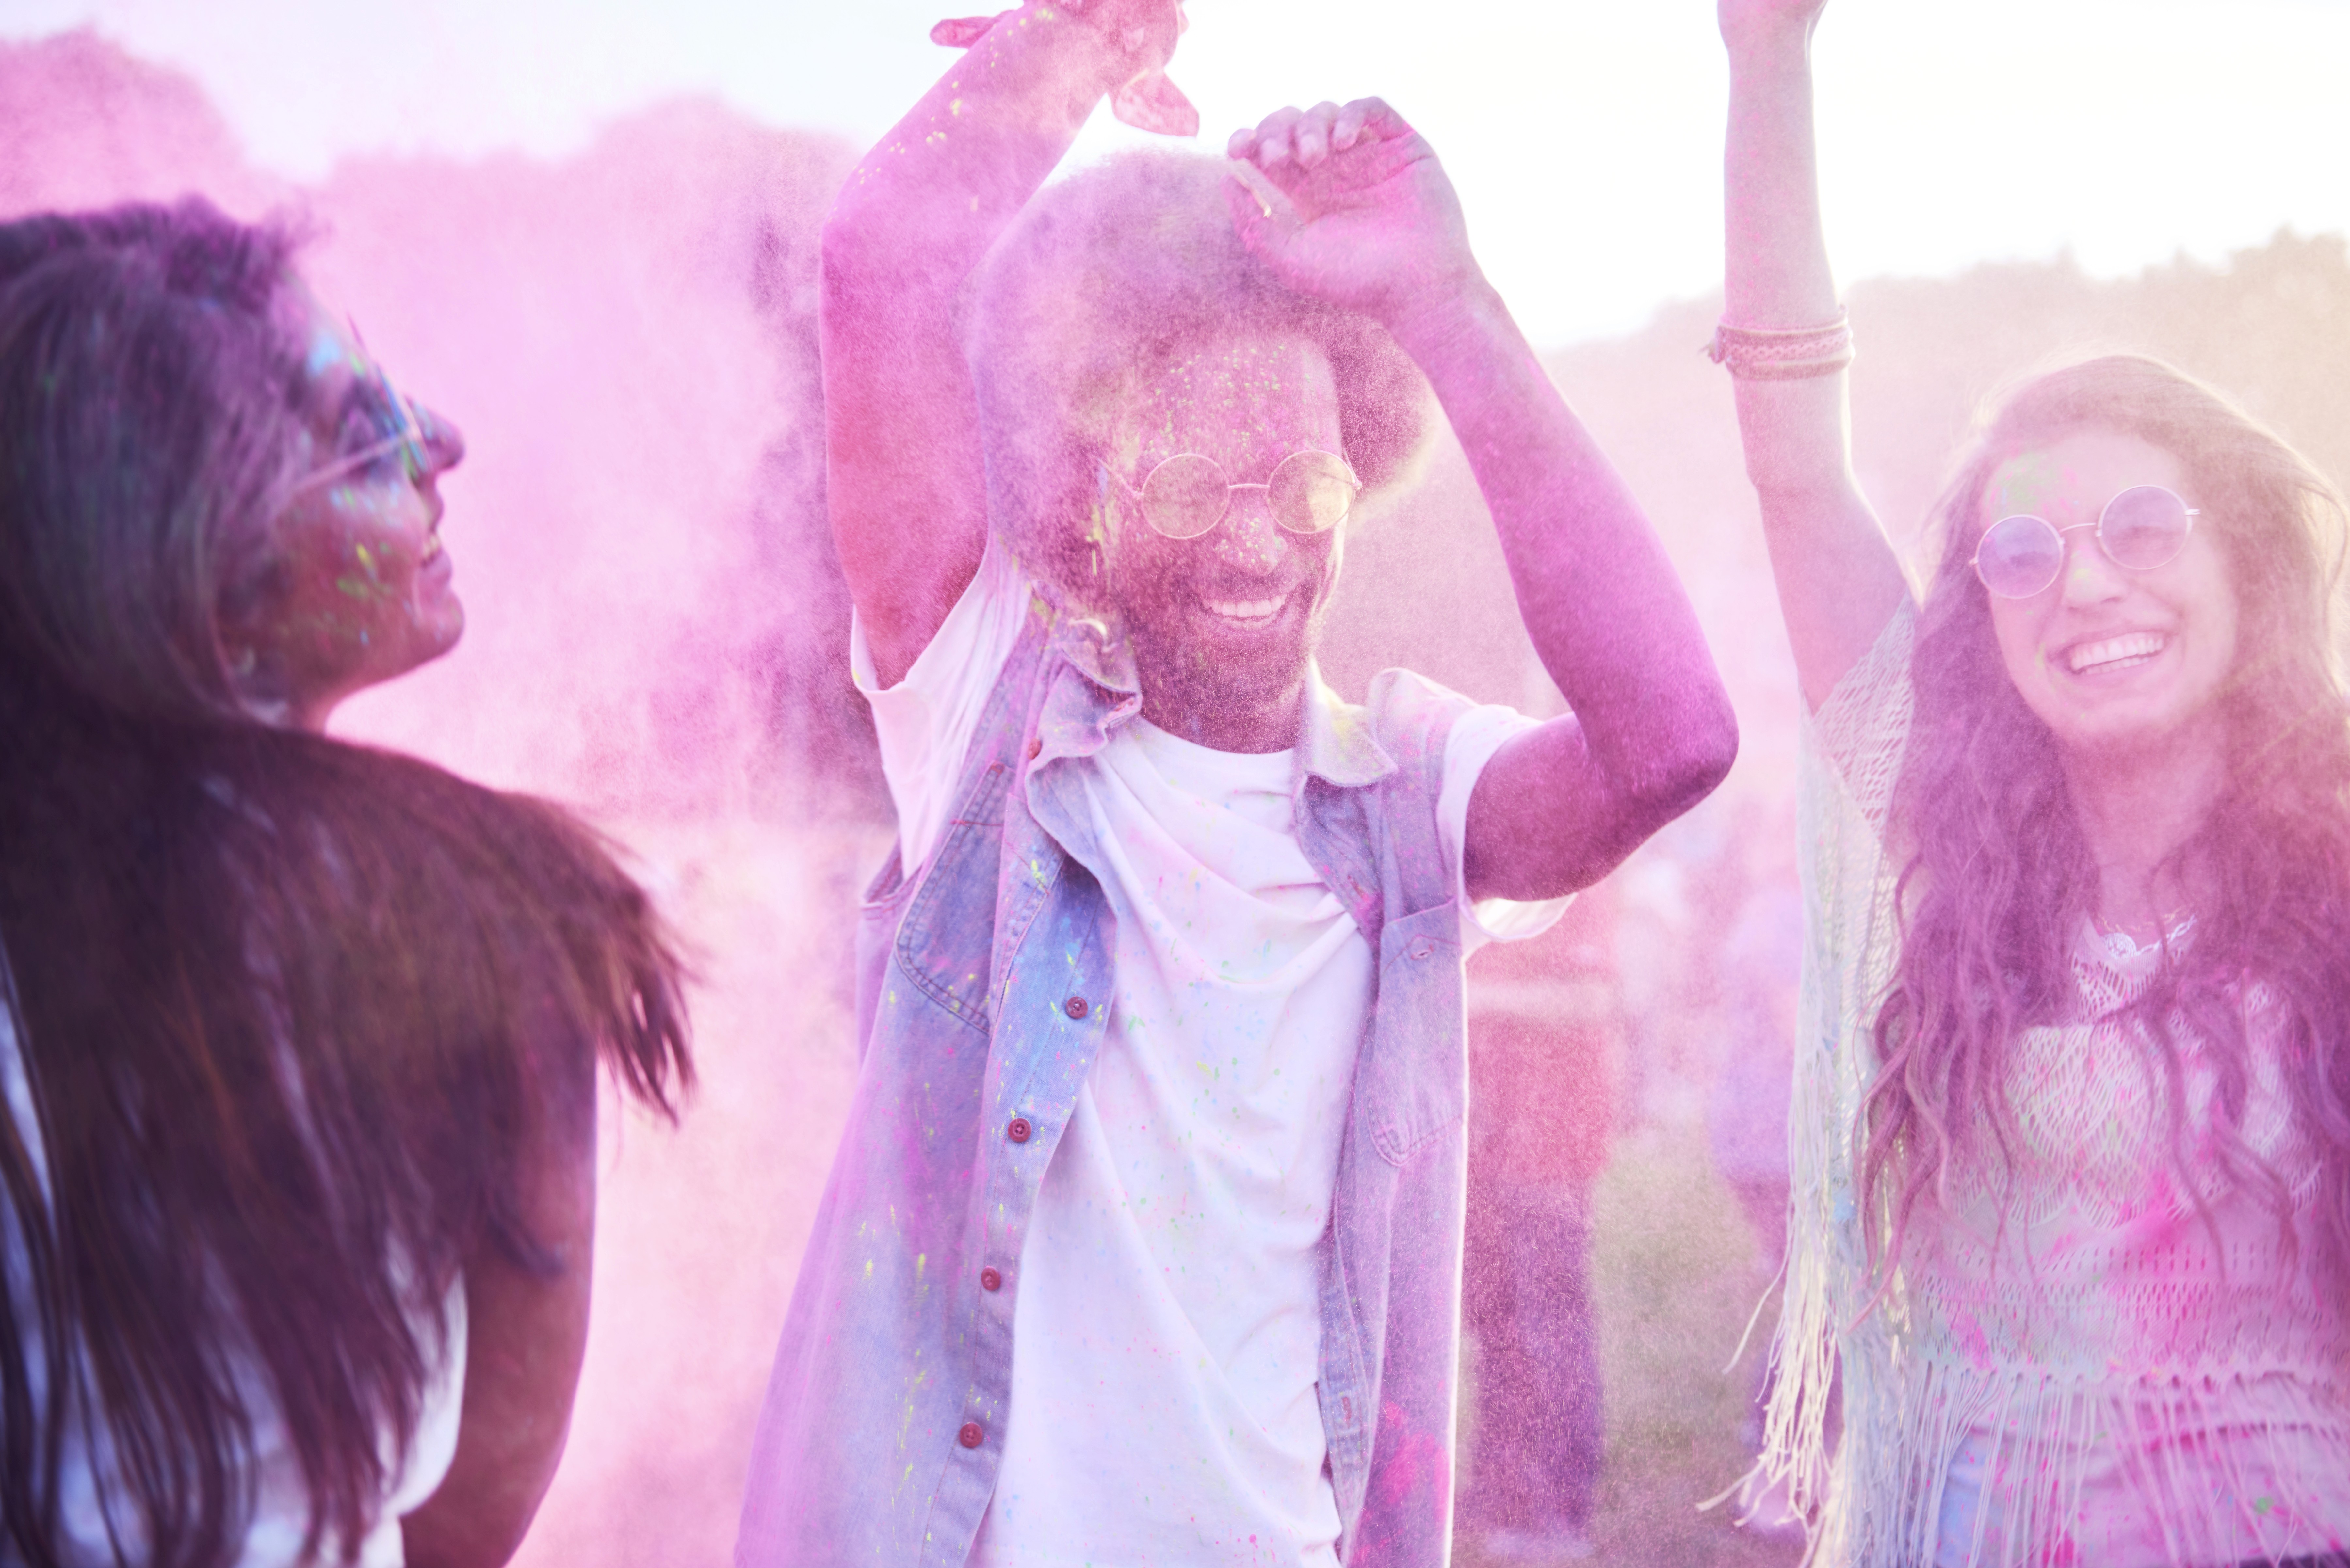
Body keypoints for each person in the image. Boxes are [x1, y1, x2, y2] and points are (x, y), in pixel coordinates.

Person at [732, 3, 1738, 1564]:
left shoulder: (1405, 799)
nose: (1257, 538)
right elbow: (885, 260)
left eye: (1304, 484)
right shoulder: (985, 719)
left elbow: (1670, 743)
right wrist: (1083, 38)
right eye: (1190, 485)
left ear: (1360, 476)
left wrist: (1446, 298)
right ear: (1083, 497)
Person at [1715, 1, 2350, 1563]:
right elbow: (1795, 465)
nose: (2085, 585)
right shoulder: (1943, 836)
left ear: (2240, 562)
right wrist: (1765, 57)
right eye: (2021, 551)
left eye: (2139, 527)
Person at [0, 200, 692, 1567]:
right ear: (216, 586)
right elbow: (471, 1515)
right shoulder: (491, 918)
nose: (443, 439)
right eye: (365, 434)